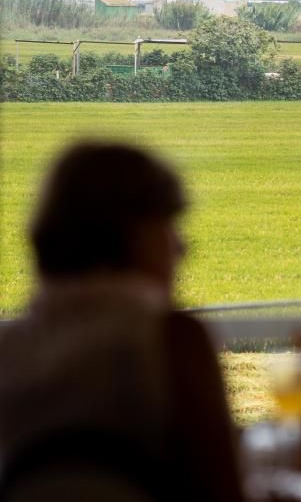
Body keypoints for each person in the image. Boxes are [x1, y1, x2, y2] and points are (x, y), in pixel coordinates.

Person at [0, 142, 244, 501]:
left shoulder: (9, 346)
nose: (180, 247)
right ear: (135, 234)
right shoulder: (173, 339)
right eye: (167, 225)